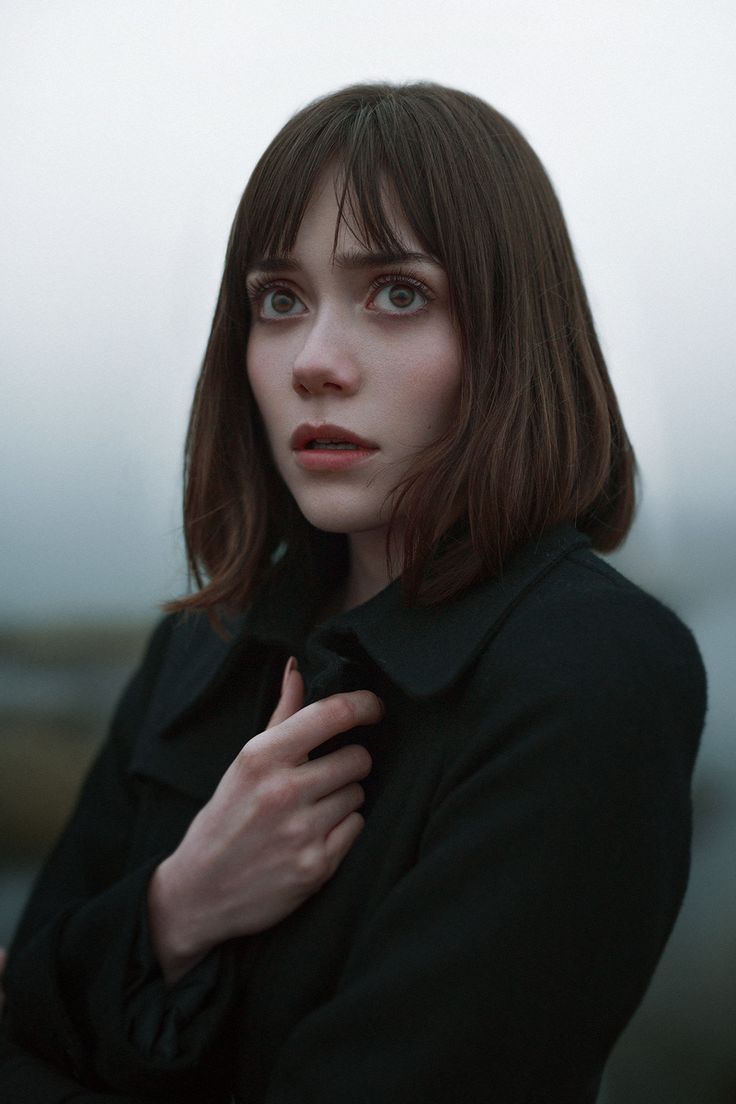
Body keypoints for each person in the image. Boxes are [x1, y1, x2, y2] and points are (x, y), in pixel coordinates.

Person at [0, 81, 706, 1103]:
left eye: (398, 293)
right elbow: (23, 1014)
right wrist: (179, 907)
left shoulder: (594, 671)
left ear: (511, 338)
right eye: (277, 301)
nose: (314, 363)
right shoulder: (204, 643)